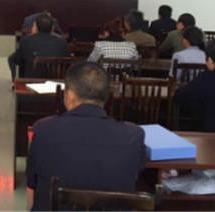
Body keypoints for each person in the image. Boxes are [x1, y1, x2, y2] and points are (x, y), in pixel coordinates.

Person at [27, 62, 145, 211]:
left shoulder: (43, 129)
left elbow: (32, 182)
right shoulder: (133, 135)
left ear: (70, 96)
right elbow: (134, 176)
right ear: (107, 96)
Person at [13, 14, 70, 78]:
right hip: (55, 81)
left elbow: (17, 60)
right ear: (53, 28)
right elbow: (67, 62)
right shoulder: (62, 42)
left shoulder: (26, 40)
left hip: (31, 81)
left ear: (36, 27)